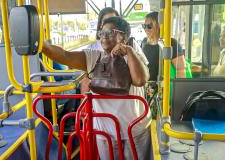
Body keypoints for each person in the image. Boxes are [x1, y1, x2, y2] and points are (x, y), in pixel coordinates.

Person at [42, 17, 151, 160]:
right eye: (102, 32)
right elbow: (64, 55)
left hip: (135, 129)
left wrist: (129, 51)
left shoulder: (134, 54)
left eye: (110, 32)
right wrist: (42, 45)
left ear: (124, 36)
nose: (104, 36)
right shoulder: (93, 57)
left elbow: (140, 79)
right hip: (105, 131)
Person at [82, 7, 148, 93]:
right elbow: (86, 79)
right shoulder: (93, 48)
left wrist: (129, 51)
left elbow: (142, 76)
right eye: (106, 21)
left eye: (114, 20)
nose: (109, 23)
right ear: (101, 25)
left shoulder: (131, 45)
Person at [141, 11, 186, 80]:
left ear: (159, 26)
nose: (146, 29)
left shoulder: (171, 43)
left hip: (164, 86)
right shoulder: (144, 42)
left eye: (149, 26)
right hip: (147, 86)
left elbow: (180, 70)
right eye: (144, 26)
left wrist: (177, 89)